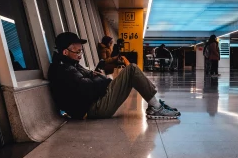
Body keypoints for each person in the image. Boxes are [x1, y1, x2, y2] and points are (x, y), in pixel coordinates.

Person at [48, 32, 180, 121]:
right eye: (77, 51)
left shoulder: (70, 64)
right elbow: (88, 87)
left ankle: (155, 104)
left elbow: (91, 78)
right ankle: (156, 107)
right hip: (94, 109)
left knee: (128, 70)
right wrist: (99, 80)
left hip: (94, 103)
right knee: (132, 69)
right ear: (65, 52)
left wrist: (96, 79)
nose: (80, 55)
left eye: (81, 51)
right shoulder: (63, 69)